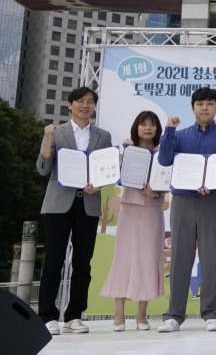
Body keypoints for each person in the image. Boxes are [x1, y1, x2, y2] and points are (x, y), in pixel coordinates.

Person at [157, 87, 216, 333]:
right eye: (200, 103)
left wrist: (213, 185)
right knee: (180, 258)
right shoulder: (180, 134)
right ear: (193, 107)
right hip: (183, 199)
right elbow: (164, 160)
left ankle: (212, 314)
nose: (205, 108)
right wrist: (169, 129)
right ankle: (174, 315)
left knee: (211, 257)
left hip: (213, 200)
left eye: (210, 103)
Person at [35, 86, 113, 335]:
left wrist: (97, 184)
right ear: (70, 105)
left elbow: (106, 169)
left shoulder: (102, 135)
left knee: (83, 263)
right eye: (80, 101)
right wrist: (47, 138)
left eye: (90, 102)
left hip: (88, 204)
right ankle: (47, 315)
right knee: (53, 261)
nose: (85, 105)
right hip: (59, 204)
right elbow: (43, 169)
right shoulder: (56, 132)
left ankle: (74, 315)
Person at [100, 111, 166, 331]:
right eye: (143, 124)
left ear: (158, 129)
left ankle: (142, 315)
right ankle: (119, 315)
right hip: (129, 208)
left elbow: (168, 181)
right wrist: (123, 154)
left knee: (148, 259)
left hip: (152, 210)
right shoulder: (125, 149)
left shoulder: (163, 153)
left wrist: (155, 194)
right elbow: (112, 174)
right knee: (124, 259)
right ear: (136, 127)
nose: (148, 128)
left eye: (152, 124)